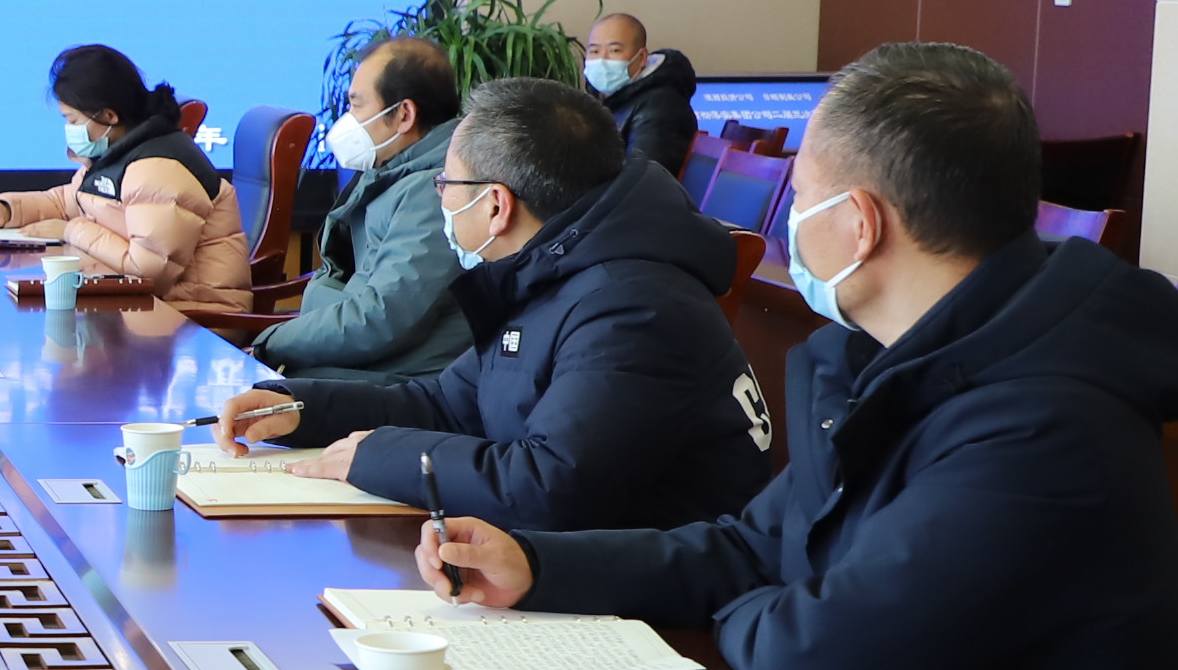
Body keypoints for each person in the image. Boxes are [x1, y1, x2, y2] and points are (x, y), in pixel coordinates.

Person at [417, 42, 1178, 670]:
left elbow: (819, 655)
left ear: (860, 223)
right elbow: (751, 547)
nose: (789, 226)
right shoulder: (892, 360)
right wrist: (538, 565)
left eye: (799, 198)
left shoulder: (1044, 424)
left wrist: (753, 602)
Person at [214, 77, 770, 531]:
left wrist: (376, 456)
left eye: (445, 183)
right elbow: (448, 406)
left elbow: (551, 485)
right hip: (568, 562)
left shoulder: (633, 306)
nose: (439, 196)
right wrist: (299, 408)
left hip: (651, 600)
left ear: (496, 205)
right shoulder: (548, 265)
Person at [0, 43, 249, 296]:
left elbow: (148, 273)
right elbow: (69, 201)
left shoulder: (158, 168)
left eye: (73, 121)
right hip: (141, 308)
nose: (69, 129)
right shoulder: (120, 149)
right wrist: (6, 210)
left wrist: (72, 230)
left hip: (192, 318)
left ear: (109, 116)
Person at [264, 36, 471, 380]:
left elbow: (378, 317)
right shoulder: (394, 171)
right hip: (368, 365)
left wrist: (271, 341)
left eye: (356, 105)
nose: (347, 120)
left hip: (401, 381)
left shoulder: (433, 193)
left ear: (404, 115)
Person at [584, 12, 700, 178]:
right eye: (594, 51)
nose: (602, 59)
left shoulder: (662, 106)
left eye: (615, 50)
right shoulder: (601, 100)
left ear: (642, 57)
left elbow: (644, 180)